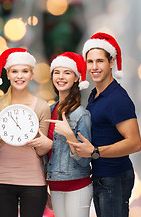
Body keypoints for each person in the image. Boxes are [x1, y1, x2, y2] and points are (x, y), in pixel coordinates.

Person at [68, 32, 141, 217]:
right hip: (102, 177)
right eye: (90, 62)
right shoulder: (95, 94)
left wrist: (94, 151)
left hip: (114, 178)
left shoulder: (117, 98)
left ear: (111, 62)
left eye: (100, 61)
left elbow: (135, 143)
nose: (94, 67)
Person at [0, 48, 52, 217]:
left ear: (32, 74)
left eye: (25, 71)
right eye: (14, 71)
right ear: (7, 74)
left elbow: (41, 151)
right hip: (3, 179)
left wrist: (38, 139)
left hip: (33, 181)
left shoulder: (41, 106)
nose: (19, 76)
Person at [44, 52, 93, 217]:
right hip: (55, 186)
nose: (61, 77)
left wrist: (69, 135)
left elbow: (86, 160)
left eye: (67, 72)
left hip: (77, 186)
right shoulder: (49, 112)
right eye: (57, 72)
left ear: (76, 78)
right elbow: (46, 155)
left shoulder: (81, 115)